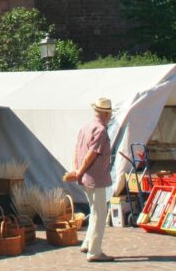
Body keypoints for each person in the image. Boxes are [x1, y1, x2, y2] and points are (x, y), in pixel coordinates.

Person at [65, 97, 114, 263]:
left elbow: (77, 150)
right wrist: (79, 171)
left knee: (94, 211)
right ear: (106, 114)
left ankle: (87, 243)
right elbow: (90, 155)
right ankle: (94, 251)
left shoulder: (86, 126)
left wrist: (76, 170)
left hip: (87, 177)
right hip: (95, 178)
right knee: (100, 214)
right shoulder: (100, 130)